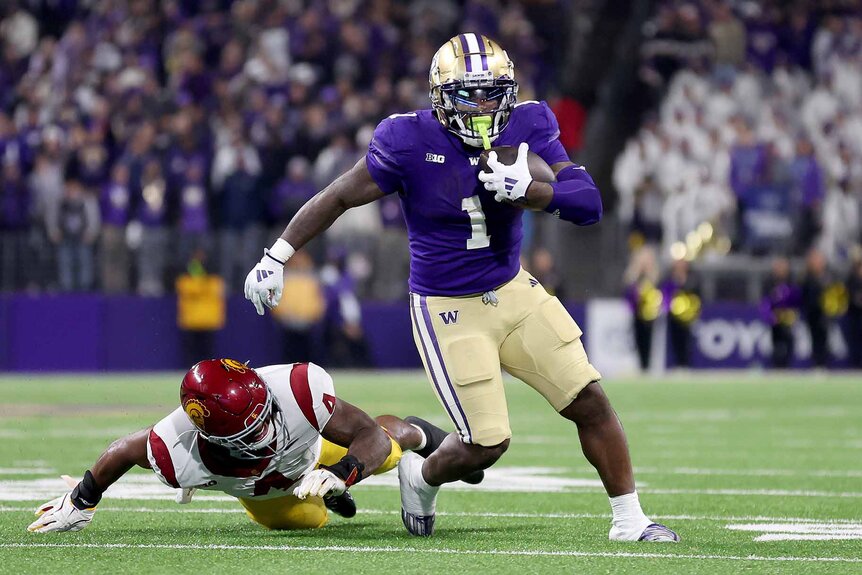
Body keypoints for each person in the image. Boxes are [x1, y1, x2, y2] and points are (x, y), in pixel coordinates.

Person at [243, 34, 678, 542]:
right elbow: (338, 197)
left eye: (493, 93)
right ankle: (421, 475)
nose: (483, 105)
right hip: (448, 305)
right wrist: (277, 255)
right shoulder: (407, 139)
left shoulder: (530, 123)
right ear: (440, 95)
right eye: (468, 94)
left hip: (514, 288)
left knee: (589, 399)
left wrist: (534, 193)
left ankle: (630, 519)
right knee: (486, 444)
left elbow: (589, 204)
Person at [27, 358, 472, 533]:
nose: (264, 430)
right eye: (248, 430)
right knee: (307, 524)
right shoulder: (176, 445)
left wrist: (342, 472)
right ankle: (329, 499)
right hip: (264, 493)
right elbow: (125, 450)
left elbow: (367, 436)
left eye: (264, 416)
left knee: (387, 448)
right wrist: (82, 500)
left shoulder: (296, 391)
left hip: (313, 453)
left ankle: (418, 432)